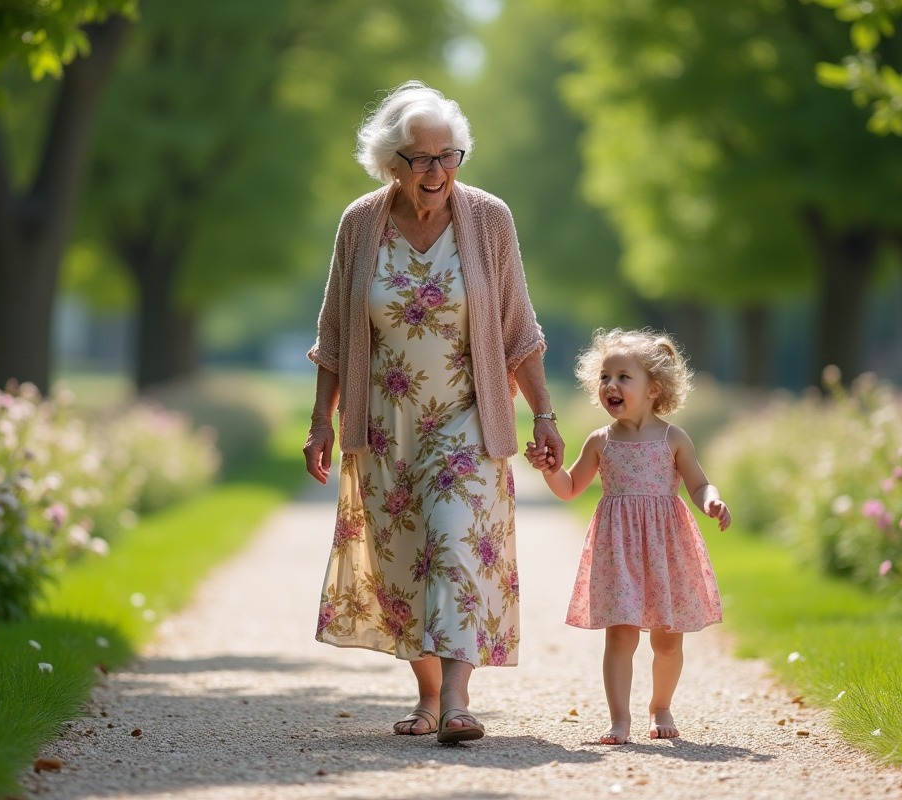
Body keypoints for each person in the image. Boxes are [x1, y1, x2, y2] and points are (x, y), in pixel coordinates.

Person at [303, 81, 564, 744]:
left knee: (452, 548)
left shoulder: (489, 220)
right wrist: (320, 423)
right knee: (407, 564)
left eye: (450, 156)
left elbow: (518, 329)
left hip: (466, 417)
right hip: (386, 424)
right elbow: (335, 332)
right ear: (392, 163)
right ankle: (426, 698)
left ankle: (455, 701)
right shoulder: (360, 225)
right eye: (421, 160)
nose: (438, 172)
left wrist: (545, 415)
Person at [525, 328, 729, 745]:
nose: (610, 385)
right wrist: (548, 468)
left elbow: (698, 484)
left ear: (654, 389)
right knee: (620, 634)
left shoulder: (674, 438)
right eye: (604, 377)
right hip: (618, 550)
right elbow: (569, 489)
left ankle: (661, 705)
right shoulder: (601, 441)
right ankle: (620, 719)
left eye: (622, 377)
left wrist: (712, 500)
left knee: (668, 641)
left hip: (666, 547)